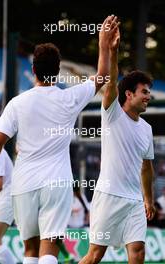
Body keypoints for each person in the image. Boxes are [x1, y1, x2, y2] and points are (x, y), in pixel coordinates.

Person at [0, 15, 120, 264]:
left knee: (30, 249)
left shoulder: (17, 103)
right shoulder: (68, 98)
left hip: (24, 182)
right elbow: (103, 76)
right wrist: (104, 44)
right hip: (57, 182)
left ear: (33, 69)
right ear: (58, 70)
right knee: (49, 248)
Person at [79, 23, 156, 264]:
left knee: (138, 253)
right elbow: (110, 84)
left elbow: (146, 167)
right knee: (94, 256)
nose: (148, 96)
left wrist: (148, 199)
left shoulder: (147, 129)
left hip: (134, 201)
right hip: (108, 197)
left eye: (149, 92)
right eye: (144, 91)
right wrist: (112, 51)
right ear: (129, 95)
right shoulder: (112, 114)